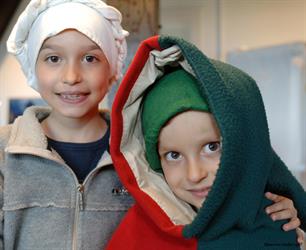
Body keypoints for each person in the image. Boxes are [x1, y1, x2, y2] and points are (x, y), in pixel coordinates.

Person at [106, 35, 306, 249]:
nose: (195, 174)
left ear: (246, 145)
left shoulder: (283, 225)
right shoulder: (137, 234)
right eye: (173, 155)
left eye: (212, 147)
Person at [0, 0, 134, 249]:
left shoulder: (138, 154)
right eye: (53, 58)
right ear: (33, 66)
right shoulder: (3, 154)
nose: (71, 77)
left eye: (90, 58)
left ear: (112, 68)